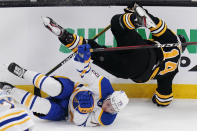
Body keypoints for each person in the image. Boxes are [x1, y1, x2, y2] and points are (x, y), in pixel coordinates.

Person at [42, 3, 186, 107]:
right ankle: (67, 38)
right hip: (132, 70)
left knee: (117, 24)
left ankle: (133, 20)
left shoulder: (174, 41)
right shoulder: (173, 71)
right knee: (93, 53)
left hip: (140, 50)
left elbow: (157, 26)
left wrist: (136, 12)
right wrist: (157, 100)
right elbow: (164, 99)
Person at [0, 44, 129, 127]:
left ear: (115, 112)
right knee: (54, 87)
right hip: (72, 90)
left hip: (65, 112)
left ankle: (11, 90)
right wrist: (82, 61)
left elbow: (80, 122)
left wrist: (81, 110)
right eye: (109, 103)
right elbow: (86, 73)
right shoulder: (104, 86)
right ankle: (23, 73)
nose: (108, 108)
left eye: (112, 109)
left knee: (42, 106)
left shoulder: (106, 119)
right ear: (110, 96)